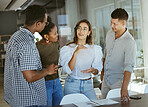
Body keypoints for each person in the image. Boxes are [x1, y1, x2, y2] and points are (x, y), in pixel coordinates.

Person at [4, 5, 59, 107]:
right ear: (38, 24)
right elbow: (30, 76)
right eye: (45, 23)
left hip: (18, 99)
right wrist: (47, 71)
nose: (45, 25)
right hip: (30, 101)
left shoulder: (16, 36)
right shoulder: (27, 42)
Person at [60, 19, 103, 100]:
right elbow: (68, 70)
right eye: (79, 28)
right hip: (72, 85)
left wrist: (93, 70)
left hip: (88, 85)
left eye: (84, 29)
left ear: (89, 32)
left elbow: (97, 69)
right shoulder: (68, 49)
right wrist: (76, 52)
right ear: (76, 30)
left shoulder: (95, 49)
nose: (81, 31)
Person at [101, 8, 137, 101]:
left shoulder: (130, 42)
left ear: (123, 24)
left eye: (115, 24)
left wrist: (124, 88)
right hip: (105, 81)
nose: (111, 26)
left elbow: (129, 66)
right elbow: (106, 54)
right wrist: (102, 75)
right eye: (111, 22)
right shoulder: (109, 34)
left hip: (118, 83)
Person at [36, 17, 63, 106]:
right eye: (55, 33)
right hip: (44, 83)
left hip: (57, 82)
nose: (57, 35)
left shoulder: (56, 44)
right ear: (46, 36)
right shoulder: (36, 47)